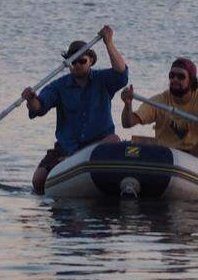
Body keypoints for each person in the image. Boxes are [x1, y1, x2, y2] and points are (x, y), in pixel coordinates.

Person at [22, 25, 128, 194]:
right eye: (73, 62)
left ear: (91, 61)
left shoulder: (103, 80)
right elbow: (39, 108)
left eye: (82, 61)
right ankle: (71, 162)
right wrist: (31, 99)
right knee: (38, 181)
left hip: (97, 144)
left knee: (114, 139)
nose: (77, 65)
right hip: (67, 147)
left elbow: (121, 75)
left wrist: (109, 43)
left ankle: (77, 161)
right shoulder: (59, 86)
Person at [119, 57, 198, 162]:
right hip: (167, 154)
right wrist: (128, 104)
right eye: (171, 76)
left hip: (195, 155)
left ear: (191, 81)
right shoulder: (159, 100)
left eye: (181, 77)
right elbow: (128, 123)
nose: (175, 79)